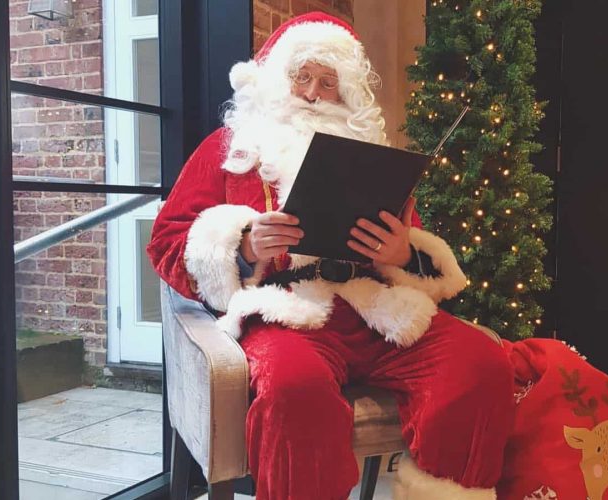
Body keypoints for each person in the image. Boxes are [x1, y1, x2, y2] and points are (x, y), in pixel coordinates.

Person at [147, 12, 513, 500]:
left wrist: (402, 252)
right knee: (295, 389)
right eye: (303, 78)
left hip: (373, 308)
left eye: (329, 83)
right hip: (285, 315)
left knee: (480, 362)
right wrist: (245, 246)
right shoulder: (227, 151)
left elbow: (410, 239)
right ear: (277, 80)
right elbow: (166, 241)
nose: (315, 94)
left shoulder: (367, 153)